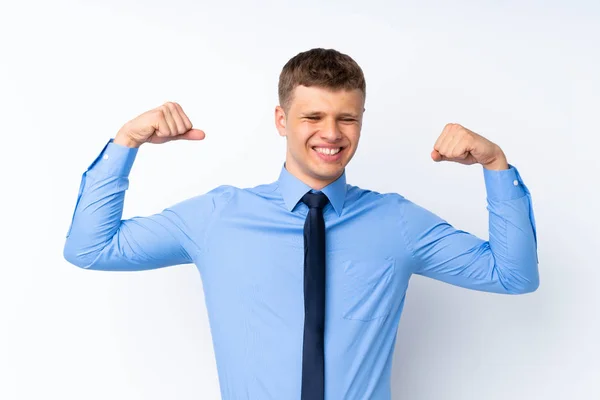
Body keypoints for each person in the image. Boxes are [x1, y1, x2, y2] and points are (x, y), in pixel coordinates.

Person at [63, 48, 539, 400]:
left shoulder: (396, 223)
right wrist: (125, 143)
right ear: (281, 120)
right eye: (313, 115)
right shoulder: (217, 219)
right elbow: (91, 249)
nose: (331, 134)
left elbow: (513, 276)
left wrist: (496, 167)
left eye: (346, 118)